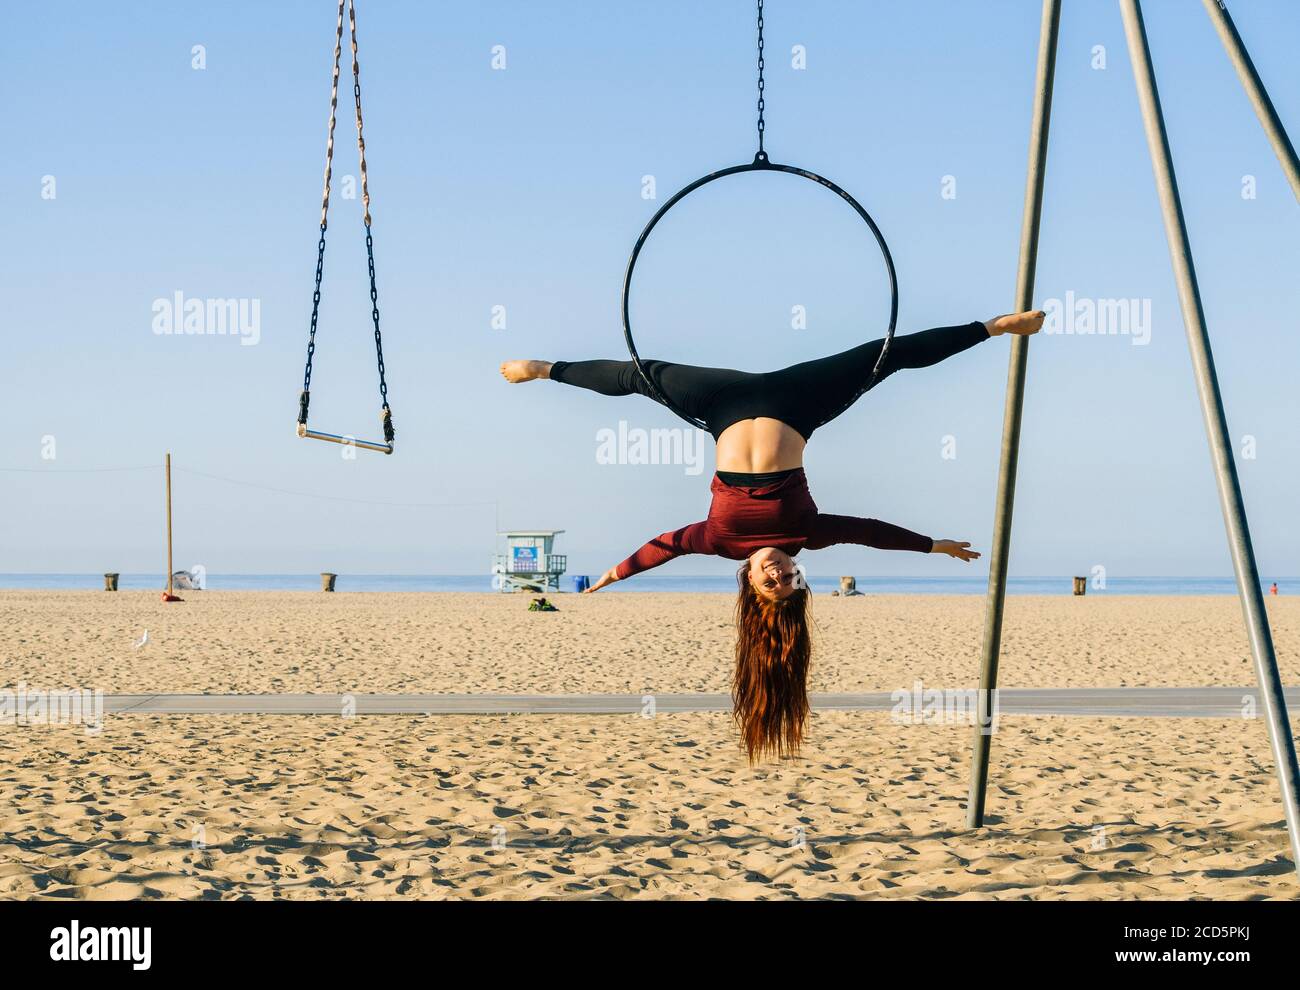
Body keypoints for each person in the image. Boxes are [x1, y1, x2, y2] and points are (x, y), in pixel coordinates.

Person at [501, 311, 1045, 759]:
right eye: (789, 581)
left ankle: (543, 369)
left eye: (771, 584)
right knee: (889, 355)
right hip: (797, 402)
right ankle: (997, 328)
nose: (780, 574)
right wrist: (932, 545)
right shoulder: (808, 533)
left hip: (721, 404)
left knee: (636, 377)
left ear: (749, 580)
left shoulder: (719, 540)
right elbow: (869, 532)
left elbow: (662, 546)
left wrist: (614, 575)